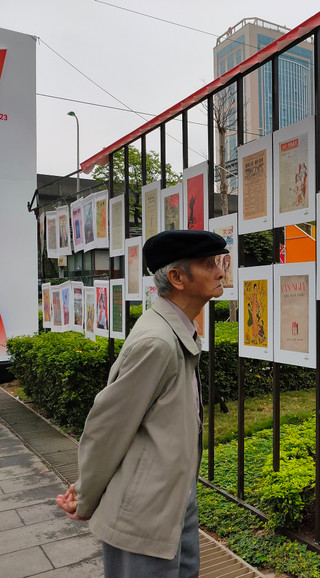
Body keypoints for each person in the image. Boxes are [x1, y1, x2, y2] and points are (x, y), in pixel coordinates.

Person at [56, 229, 228, 577]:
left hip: (173, 501)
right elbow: (107, 426)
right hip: (144, 515)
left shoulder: (174, 330)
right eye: (209, 264)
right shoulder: (158, 342)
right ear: (177, 277)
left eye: (219, 262)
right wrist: (85, 496)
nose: (221, 271)